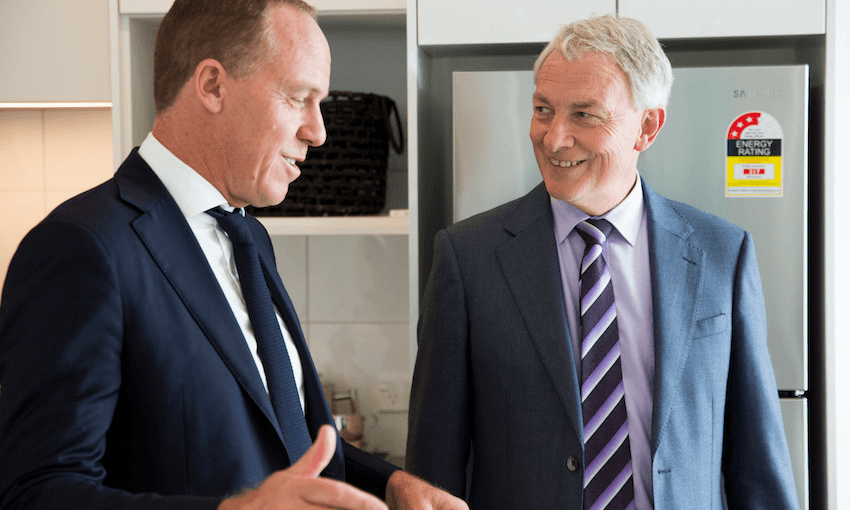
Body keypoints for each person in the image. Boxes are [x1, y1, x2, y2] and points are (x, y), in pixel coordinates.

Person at [0, 1, 467, 509]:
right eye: (297, 98)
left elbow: (286, 442)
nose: (319, 131)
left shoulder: (248, 237)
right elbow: (35, 493)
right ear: (212, 86)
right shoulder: (81, 247)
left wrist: (390, 484)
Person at [406, 14, 800, 510]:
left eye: (584, 115)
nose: (553, 139)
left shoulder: (723, 253)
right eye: (543, 109)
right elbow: (430, 480)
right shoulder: (468, 258)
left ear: (647, 127)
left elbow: (758, 464)